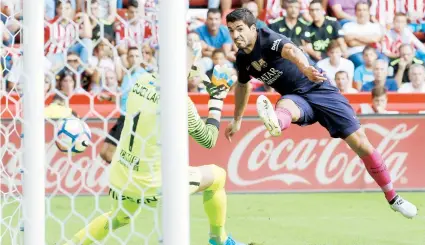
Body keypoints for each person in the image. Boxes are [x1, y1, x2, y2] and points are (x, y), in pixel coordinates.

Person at [225, 8, 417, 219]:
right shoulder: (242, 59)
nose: (235, 35)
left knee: (361, 144)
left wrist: (305, 67)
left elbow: (291, 50)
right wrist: (237, 119)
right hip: (294, 96)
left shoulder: (268, 37)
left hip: (319, 88)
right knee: (285, 105)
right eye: (231, 30)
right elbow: (243, 87)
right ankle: (277, 122)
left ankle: (393, 197)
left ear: (253, 28)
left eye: (240, 29)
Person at [63, 46, 249, 245]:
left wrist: (196, 75)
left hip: (121, 175)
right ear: (182, 67)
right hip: (155, 184)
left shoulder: (140, 81)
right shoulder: (179, 102)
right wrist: (217, 100)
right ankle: (218, 239)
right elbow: (208, 140)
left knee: (118, 217)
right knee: (218, 176)